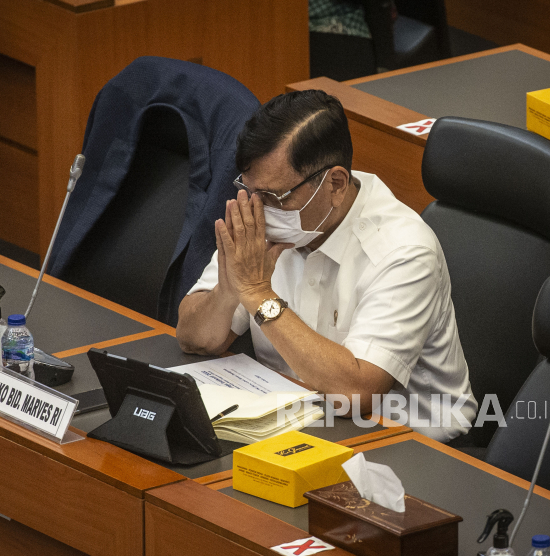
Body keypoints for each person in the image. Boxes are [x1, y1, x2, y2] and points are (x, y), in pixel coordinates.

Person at [175, 90, 476, 442]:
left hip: (409, 442)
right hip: (296, 420)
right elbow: (195, 337)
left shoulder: (404, 250)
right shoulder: (261, 215)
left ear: (334, 184)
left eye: (277, 198)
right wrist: (230, 289)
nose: (260, 208)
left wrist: (258, 294)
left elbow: (356, 393)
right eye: (251, 190)